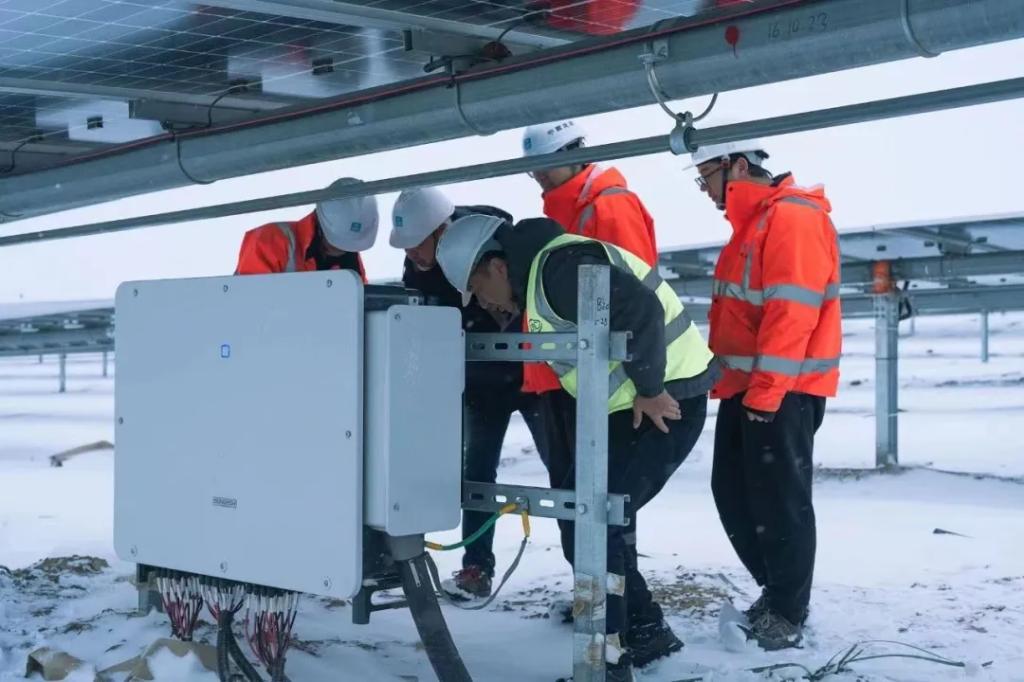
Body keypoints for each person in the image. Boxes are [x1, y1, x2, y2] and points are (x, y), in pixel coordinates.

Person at [436, 213, 719, 680]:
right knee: (586, 518)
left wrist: (650, 388)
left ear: (497, 266)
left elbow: (642, 310)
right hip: (634, 405)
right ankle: (643, 631)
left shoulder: (559, 269)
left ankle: (609, 662)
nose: (482, 301)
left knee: (593, 521)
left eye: (477, 287)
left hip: (664, 401)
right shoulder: (544, 275)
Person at [687, 140, 841, 650]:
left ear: (737, 165)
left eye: (706, 176)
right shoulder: (752, 226)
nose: (704, 189)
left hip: (782, 390)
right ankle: (778, 593)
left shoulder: (791, 217)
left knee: (779, 502)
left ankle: (788, 611)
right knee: (733, 492)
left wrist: (767, 393)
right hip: (748, 388)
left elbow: (791, 313)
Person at [390, 187, 547, 600]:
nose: (411, 254)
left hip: (535, 376)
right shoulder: (418, 265)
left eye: (416, 244)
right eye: (405, 247)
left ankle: (589, 579)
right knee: (477, 475)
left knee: (568, 476)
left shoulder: (493, 239)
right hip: (481, 382)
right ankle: (476, 568)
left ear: (440, 230)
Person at [236, 178, 377, 277]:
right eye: (337, 243)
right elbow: (250, 299)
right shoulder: (269, 240)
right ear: (321, 223)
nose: (342, 250)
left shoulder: (349, 257)